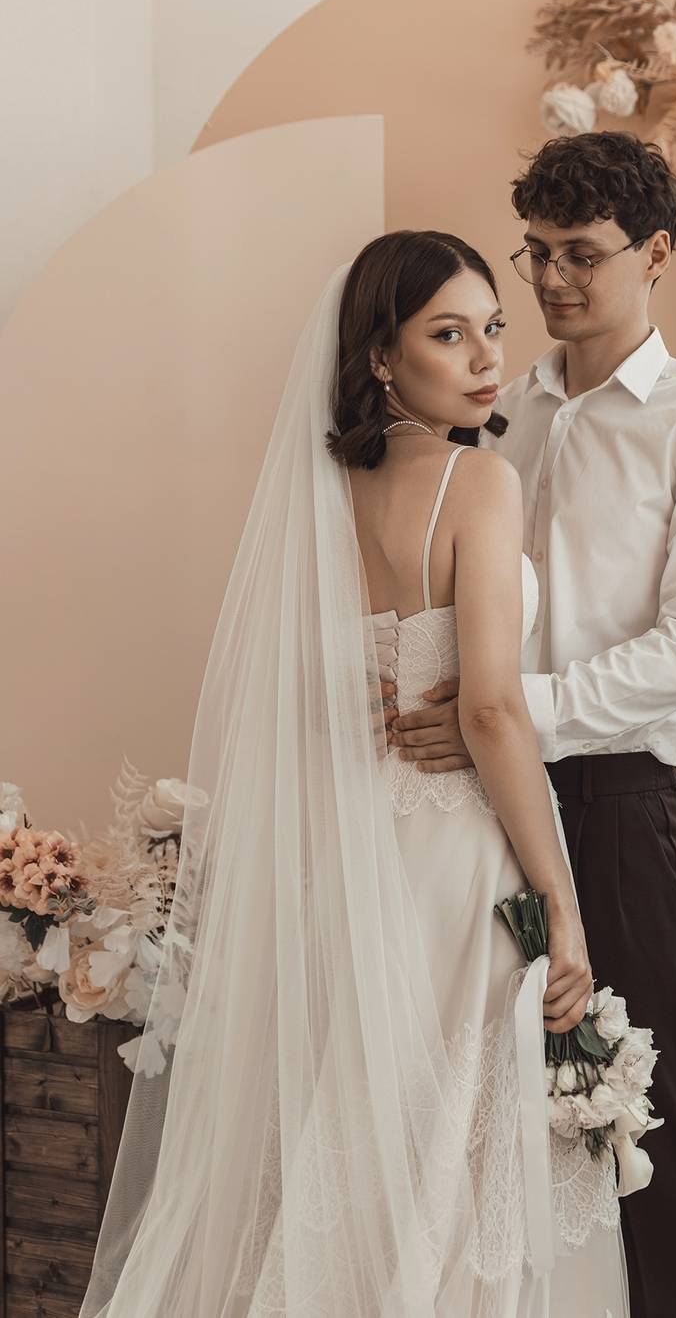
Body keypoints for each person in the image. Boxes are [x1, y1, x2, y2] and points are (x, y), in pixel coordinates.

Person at [77, 230, 633, 1317]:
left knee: (347, 1136)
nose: (485, 357)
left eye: (492, 328)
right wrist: (560, 904)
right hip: (453, 859)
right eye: (447, 334)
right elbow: (489, 708)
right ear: (380, 356)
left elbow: (308, 691)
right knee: (444, 1158)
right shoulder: (477, 482)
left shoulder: (318, 495)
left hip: (345, 853)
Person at [385, 132, 676, 1318]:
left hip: (613, 799)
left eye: (582, 255)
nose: (553, 280)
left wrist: (519, 716)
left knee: (640, 1116)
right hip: (475, 803)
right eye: (537, 253)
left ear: (654, 254)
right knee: (499, 1108)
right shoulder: (496, 411)